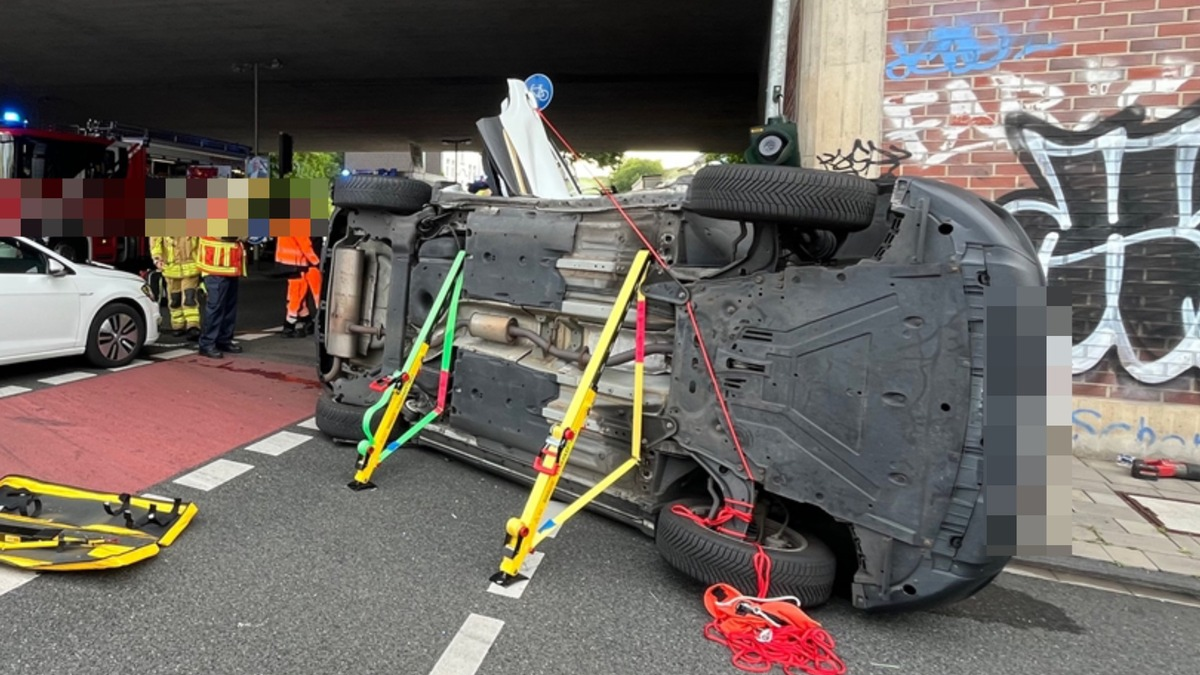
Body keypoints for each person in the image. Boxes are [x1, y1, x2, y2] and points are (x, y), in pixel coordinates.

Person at [196, 236, 247, 358]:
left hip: (230, 264)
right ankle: (207, 343)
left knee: (229, 306)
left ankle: (223, 339)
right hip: (215, 265)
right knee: (215, 307)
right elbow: (225, 234)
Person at [150, 236, 202, 340]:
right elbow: (155, 241)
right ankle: (178, 325)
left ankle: (193, 326)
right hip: (171, 268)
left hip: (190, 268)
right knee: (175, 299)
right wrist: (157, 258)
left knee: (189, 298)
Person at [274, 235, 322, 337]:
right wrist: (317, 262)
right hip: (297, 264)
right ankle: (289, 326)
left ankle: (307, 322)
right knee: (298, 294)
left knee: (297, 294)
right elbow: (305, 244)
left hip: (287, 262)